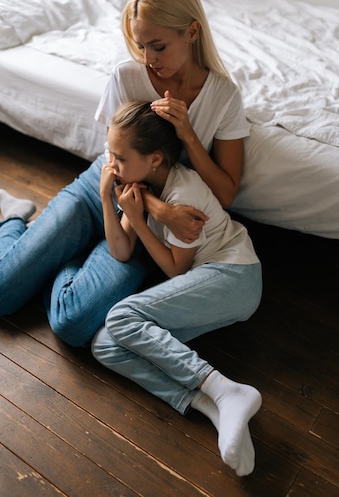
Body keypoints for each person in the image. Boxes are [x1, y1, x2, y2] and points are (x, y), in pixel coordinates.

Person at [0, 0, 251, 348]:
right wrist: (160, 210)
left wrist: (188, 134)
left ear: (192, 32)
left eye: (159, 46)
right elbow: (114, 166)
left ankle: (67, 252)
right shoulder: (127, 76)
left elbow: (226, 192)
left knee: (75, 323)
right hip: (102, 189)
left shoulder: (223, 96)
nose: (149, 59)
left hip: (145, 226)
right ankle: (14, 220)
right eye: (141, 45)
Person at [92, 99, 262, 477]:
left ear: (154, 158)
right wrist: (108, 199)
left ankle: (224, 389)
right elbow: (120, 251)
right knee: (105, 343)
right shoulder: (137, 185)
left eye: (118, 157)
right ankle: (214, 406)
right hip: (216, 282)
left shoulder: (183, 195)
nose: (110, 165)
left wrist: (137, 217)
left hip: (234, 274)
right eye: (110, 153)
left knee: (122, 315)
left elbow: (174, 269)